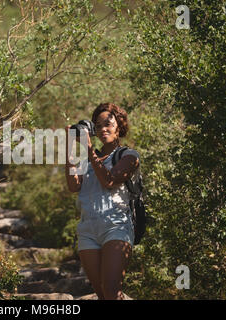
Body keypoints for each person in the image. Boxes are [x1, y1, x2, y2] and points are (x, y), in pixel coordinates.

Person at [65, 103, 140, 300]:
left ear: (119, 127)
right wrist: (70, 148)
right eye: (97, 126)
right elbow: (73, 186)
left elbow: (109, 180)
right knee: (101, 294)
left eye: (108, 124)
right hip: (88, 229)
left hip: (116, 225)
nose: (102, 129)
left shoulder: (129, 156)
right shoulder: (87, 160)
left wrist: (89, 150)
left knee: (112, 289)